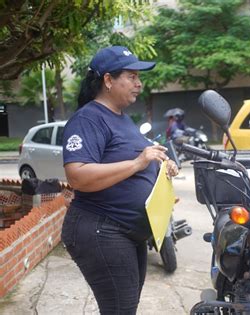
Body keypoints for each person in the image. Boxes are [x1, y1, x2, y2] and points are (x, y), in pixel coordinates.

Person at [61, 46, 179, 314]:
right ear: (108, 80)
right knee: (120, 309)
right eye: (132, 76)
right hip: (101, 229)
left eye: (139, 77)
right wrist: (138, 162)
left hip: (127, 232)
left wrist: (163, 163)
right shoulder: (88, 119)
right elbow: (77, 176)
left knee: (125, 307)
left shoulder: (123, 119)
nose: (139, 83)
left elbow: (141, 157)